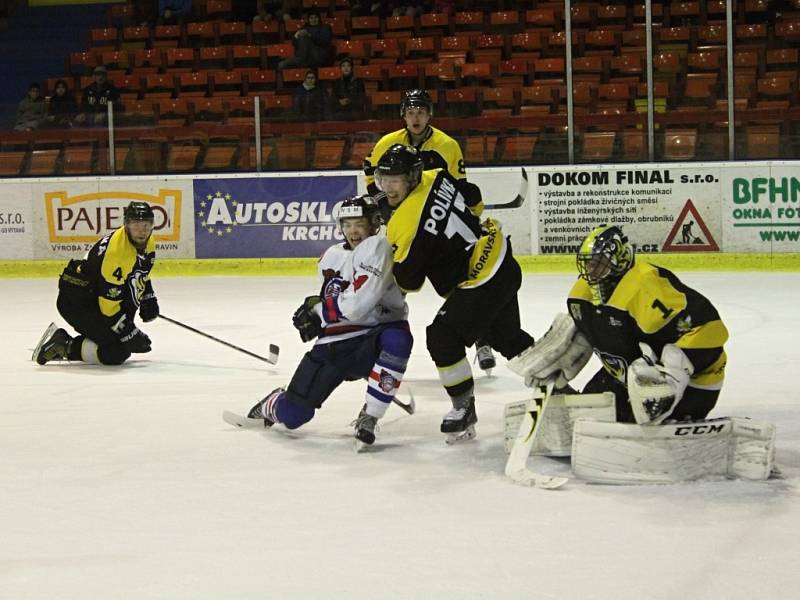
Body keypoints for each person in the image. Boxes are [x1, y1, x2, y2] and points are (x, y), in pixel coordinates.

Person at [374, 144, 536, 443]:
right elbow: (474, 200)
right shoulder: (437, 175)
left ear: (411, 177)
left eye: (394, 180)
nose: (387, 187)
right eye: (384, 179)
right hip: (499, 258)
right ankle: (558, 386)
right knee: (506, 337)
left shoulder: (404, 223)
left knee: (442, 336)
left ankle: (463, 407)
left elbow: (410, 283)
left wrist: (391, 248)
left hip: (479, 279)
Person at [241, 195, 412, 449]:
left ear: (374, 225)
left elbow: (363, 301)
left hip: (377, 332)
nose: (353, 231)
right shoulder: (331, 257)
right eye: (347, 224)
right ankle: (273, 403)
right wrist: (312, 313)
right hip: (337, 341)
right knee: (294, 415)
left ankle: (370, 415)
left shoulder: (384, 250)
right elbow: (331, 297)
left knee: (398, 340)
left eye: (360, 224)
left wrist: (320, 311)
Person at [518, 224, 728, 425]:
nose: (591, 270)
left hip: (693, 383)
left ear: (619, 260)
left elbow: (710, 328)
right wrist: (558, 361)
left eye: (599, 263)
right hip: (628, 377)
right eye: (589, 263)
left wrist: (668, 377)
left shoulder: (644, 286)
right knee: (587, 417)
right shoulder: (582, 294)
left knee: (649, 395)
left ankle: (664, 400)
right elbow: (588, 334)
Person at [363, 89, 497, 375]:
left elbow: (458, 186)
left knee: (456, 286)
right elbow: (372, 179)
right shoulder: (388, 143)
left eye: (421, 112)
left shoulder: (447, 146)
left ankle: (482, 341)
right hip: (403, 225)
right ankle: (378, 342)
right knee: (396, 285)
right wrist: (387, 212)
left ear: (429, 114)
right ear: (403, 115)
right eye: (410, 112)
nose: (415, 118)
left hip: (436, 229)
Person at [32, 202, 159, 367]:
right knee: (117, 351)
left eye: (146, 225)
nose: (142, 231)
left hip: (95, 293)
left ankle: (99, 337)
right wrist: (129, 332)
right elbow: (109, 309)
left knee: (121, 330)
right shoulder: (116, 255)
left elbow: (139, 270)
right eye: (136, 225)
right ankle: (63, 344)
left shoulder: (148, 241)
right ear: (126, 225)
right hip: (77, 303)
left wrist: (148, 296)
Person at [328, 57, 365, 121]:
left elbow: (361, 99)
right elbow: (333, 100)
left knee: (353, 115)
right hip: (341, 110)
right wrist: (339, 102)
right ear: (340, 69)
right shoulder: (336, 82)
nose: (346, 68)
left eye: (348, 66)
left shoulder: (359, 82)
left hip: (355, 110)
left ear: (352, 68)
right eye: (343, 66)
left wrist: (349, 101)